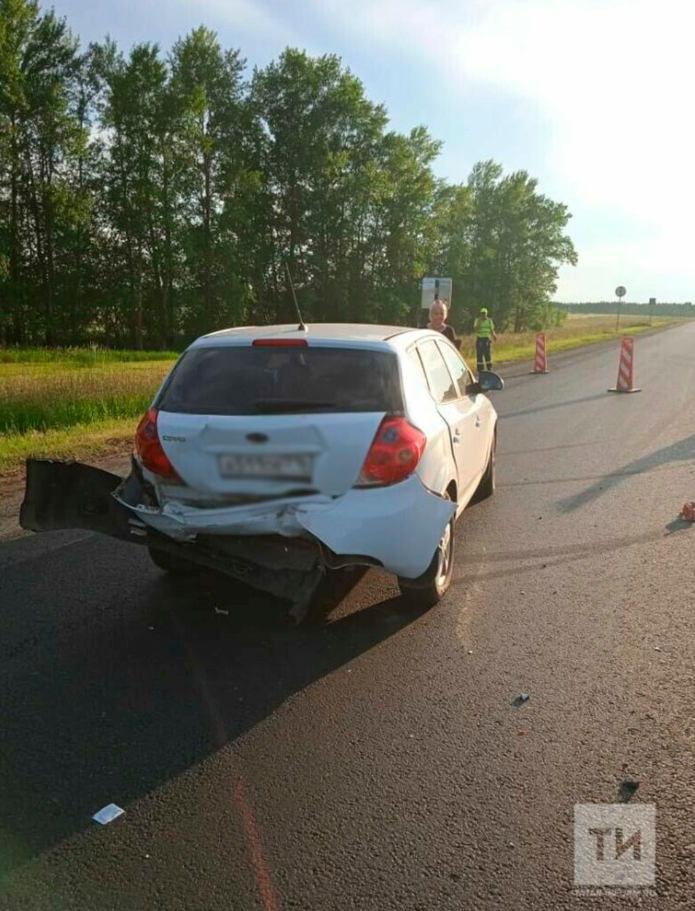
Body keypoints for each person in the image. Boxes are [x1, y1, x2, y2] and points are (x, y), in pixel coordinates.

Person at [473, 306, 497, 374]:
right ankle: (480, 369)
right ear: (480, 314)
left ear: (486, 314)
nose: (483, 315)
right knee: (479, 354)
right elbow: (475, 330)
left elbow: (492, 330)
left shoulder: (489, 321)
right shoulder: (477, 320)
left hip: (487, 338)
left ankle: (489, 368)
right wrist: (479, 323)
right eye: (482, 313)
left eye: (484, 313)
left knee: (487, 354)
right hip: (480, 338)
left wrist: (494, 336)